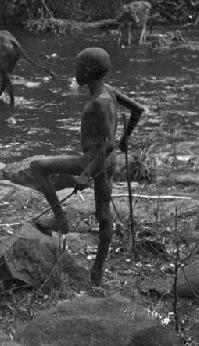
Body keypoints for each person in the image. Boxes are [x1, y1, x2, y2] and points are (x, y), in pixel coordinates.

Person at [30, 47, 144, 285]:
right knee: (104, 215)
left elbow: (108, 145)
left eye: (78, 68)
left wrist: (85, 174)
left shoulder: (98, 103)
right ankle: (97, 274)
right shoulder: (109, 91)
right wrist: (127, 138)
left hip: (95, 160)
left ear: (89, 71)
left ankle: (60, 220)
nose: (75, 73)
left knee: (38, 166)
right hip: (107, 164)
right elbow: (137, 110)